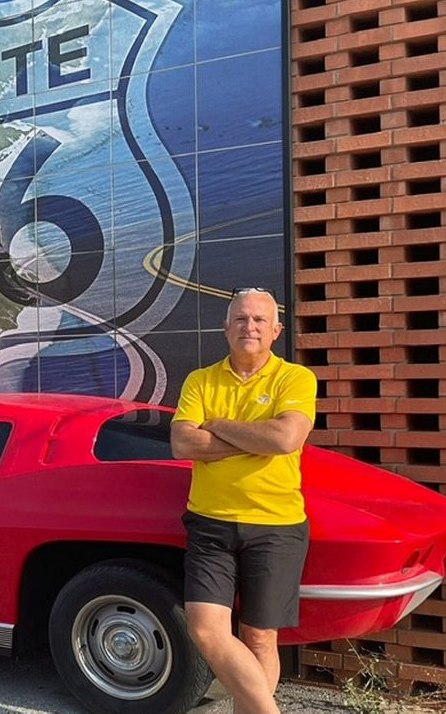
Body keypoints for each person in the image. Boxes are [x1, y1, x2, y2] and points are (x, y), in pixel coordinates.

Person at [169, 288, 317, 714]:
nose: (248, 327)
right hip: (210, 522)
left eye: (258, 320)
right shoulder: (200, 380)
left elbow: (286, 438)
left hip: (276, 525)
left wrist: (217, 425)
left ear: (276, 330)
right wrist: (257, 440)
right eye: (240, 319)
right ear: (226, 327)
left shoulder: (295, 378)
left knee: (259, 637)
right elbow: (182, 444)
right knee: (205, 628)